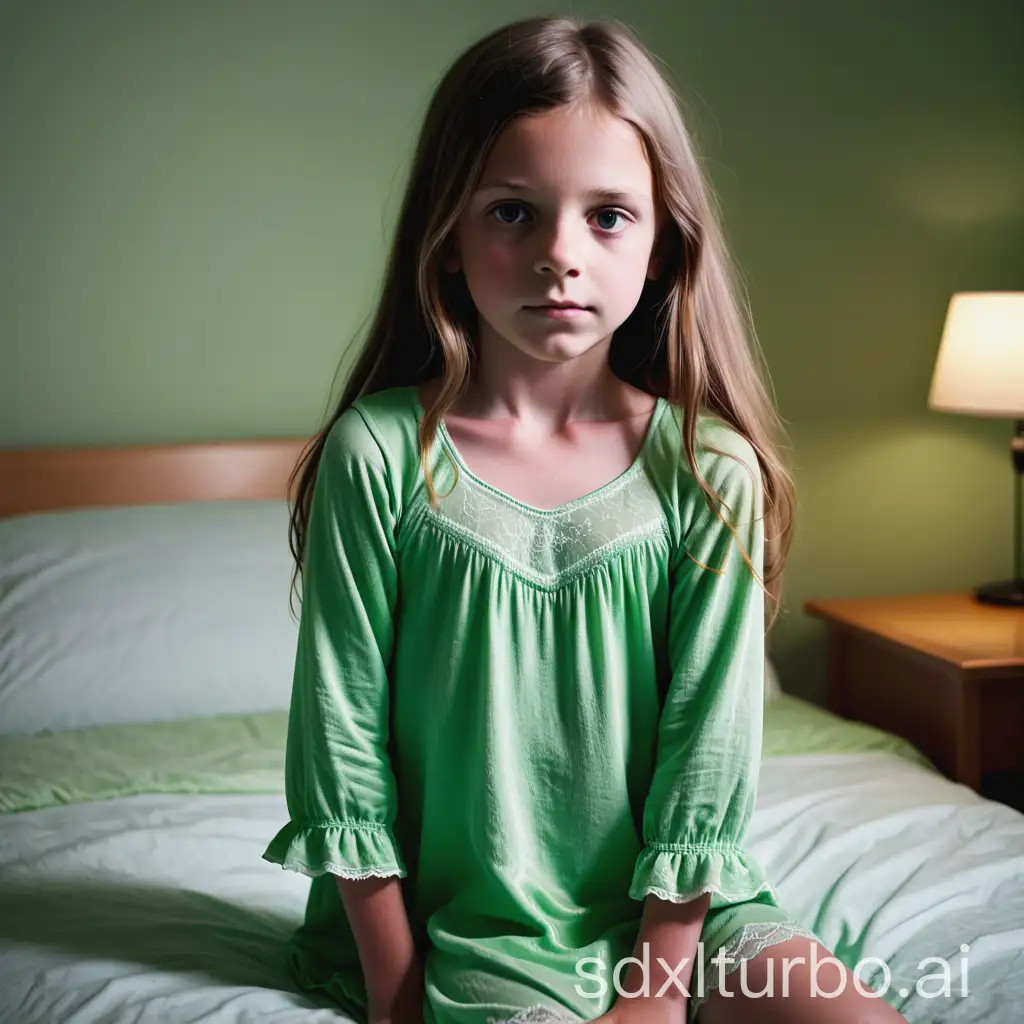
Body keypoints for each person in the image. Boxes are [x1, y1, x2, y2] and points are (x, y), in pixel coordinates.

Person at [263, 15, 908, 1024]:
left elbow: (708, 748)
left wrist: (653, 993)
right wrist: (397, 998)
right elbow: (340, 745)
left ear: (661, 246)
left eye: (608, 215)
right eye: (512, 212)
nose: (560, 255)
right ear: (446, 235)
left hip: (685, 914)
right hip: (474, 925)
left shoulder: (708, 469)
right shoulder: (379, 455)